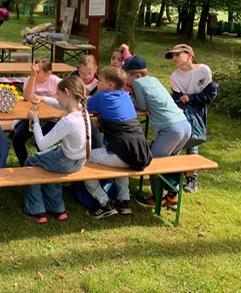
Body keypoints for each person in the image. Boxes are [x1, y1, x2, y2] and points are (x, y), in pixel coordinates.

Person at [122, 56, 191, 210]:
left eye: (126, 76)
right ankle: (172, 197)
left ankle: (156, 199)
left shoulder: (137, 83)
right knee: (169, 162)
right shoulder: (153, 79)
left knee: (153, 162)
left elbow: (141, 106)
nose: (124, 79)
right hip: (184, 125)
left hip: (171, 130)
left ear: (137, 75)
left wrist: (129, 95)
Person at [84, 67, 152, 218]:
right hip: (140, 153)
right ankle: (124, 201)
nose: (97, 82)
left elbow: (80, 107)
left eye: (100, 80)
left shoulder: (102, 96)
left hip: (123, 154)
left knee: (83, 159)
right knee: (121, 159)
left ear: (110, 85)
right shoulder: (126, 97)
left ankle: (103, 202)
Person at [22, 75, 91, 223]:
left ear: (67, 93)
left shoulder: (68, 121)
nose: (57, 97)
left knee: (31, 162)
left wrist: (35, 120)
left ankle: (36, 210)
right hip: (79, 161)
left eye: (58, 94)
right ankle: (57, 208)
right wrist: (43, 99)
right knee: (50, 166)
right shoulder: (82, 110)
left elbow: (42, 144)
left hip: (66, 162)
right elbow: (59, 104)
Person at [166, 44, 218, 194]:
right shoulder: (174, 77)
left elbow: (210, 95)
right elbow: (178, 100)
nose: (174, 58)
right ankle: (170, 176)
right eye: (172, 55)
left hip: (199, 112)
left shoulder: (203, 70)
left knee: (193, 144)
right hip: (182, 113)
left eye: (177, 54)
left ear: (189, 55)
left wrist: (191, 98)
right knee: (176, 143)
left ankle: (191, 179)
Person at [12, 57, 62, 166]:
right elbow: (27, 97)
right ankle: (25, 165)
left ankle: (42, 166)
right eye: (33, 70)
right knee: (17, 139)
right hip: (32, 116)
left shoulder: (56, 81)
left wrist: (45, 98)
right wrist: (33, 76)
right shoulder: (30, 79)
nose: (34, 73)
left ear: (48, 73)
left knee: (42, 143)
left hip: (51, 119)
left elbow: (63, 96)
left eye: (37, 72)